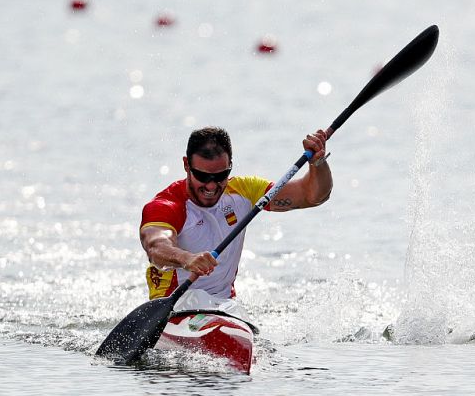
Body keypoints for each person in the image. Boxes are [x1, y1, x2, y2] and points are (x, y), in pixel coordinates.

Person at [140, 126, 332, 300]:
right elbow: (156, 247)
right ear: (186, 165)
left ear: (230, 165)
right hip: (174, 306)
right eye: (202, 176)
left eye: (220, 176)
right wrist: (186, 259)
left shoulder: (244, 191)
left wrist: (318, 162)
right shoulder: (166, 205)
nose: (211, 186)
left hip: (225, 306)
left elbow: (312, 196)